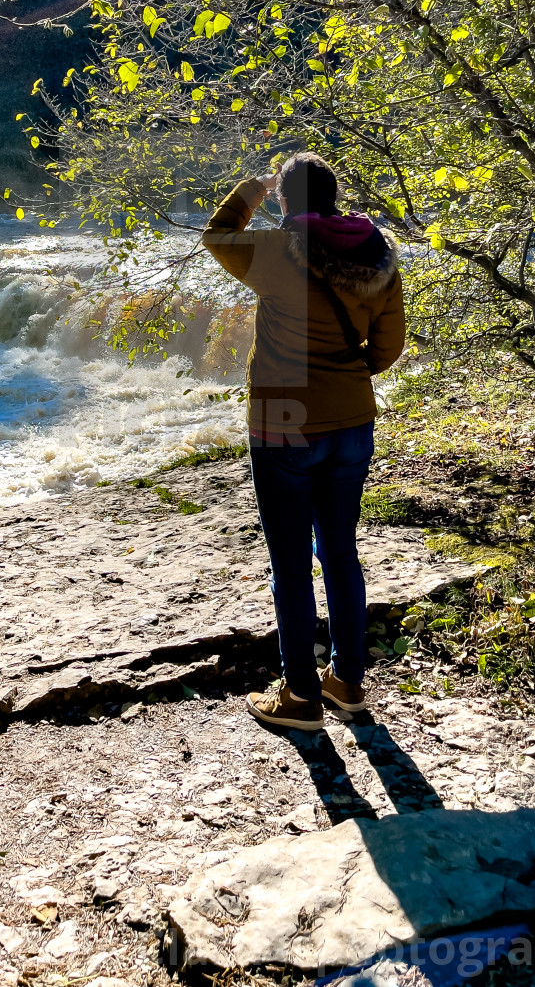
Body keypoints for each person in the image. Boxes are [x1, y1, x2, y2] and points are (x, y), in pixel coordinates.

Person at [202, 151, 406, 731]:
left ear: (288, 201)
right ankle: (346, 681)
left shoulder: (276, 251)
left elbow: (217, 234)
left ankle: (299, 696)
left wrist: (252, 190)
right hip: (352, 421)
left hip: (283, 417)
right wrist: (344, 377)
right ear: (336, 197)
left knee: (290, 563)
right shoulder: (378, 254)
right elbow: (387, 350)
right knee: (340, 551)